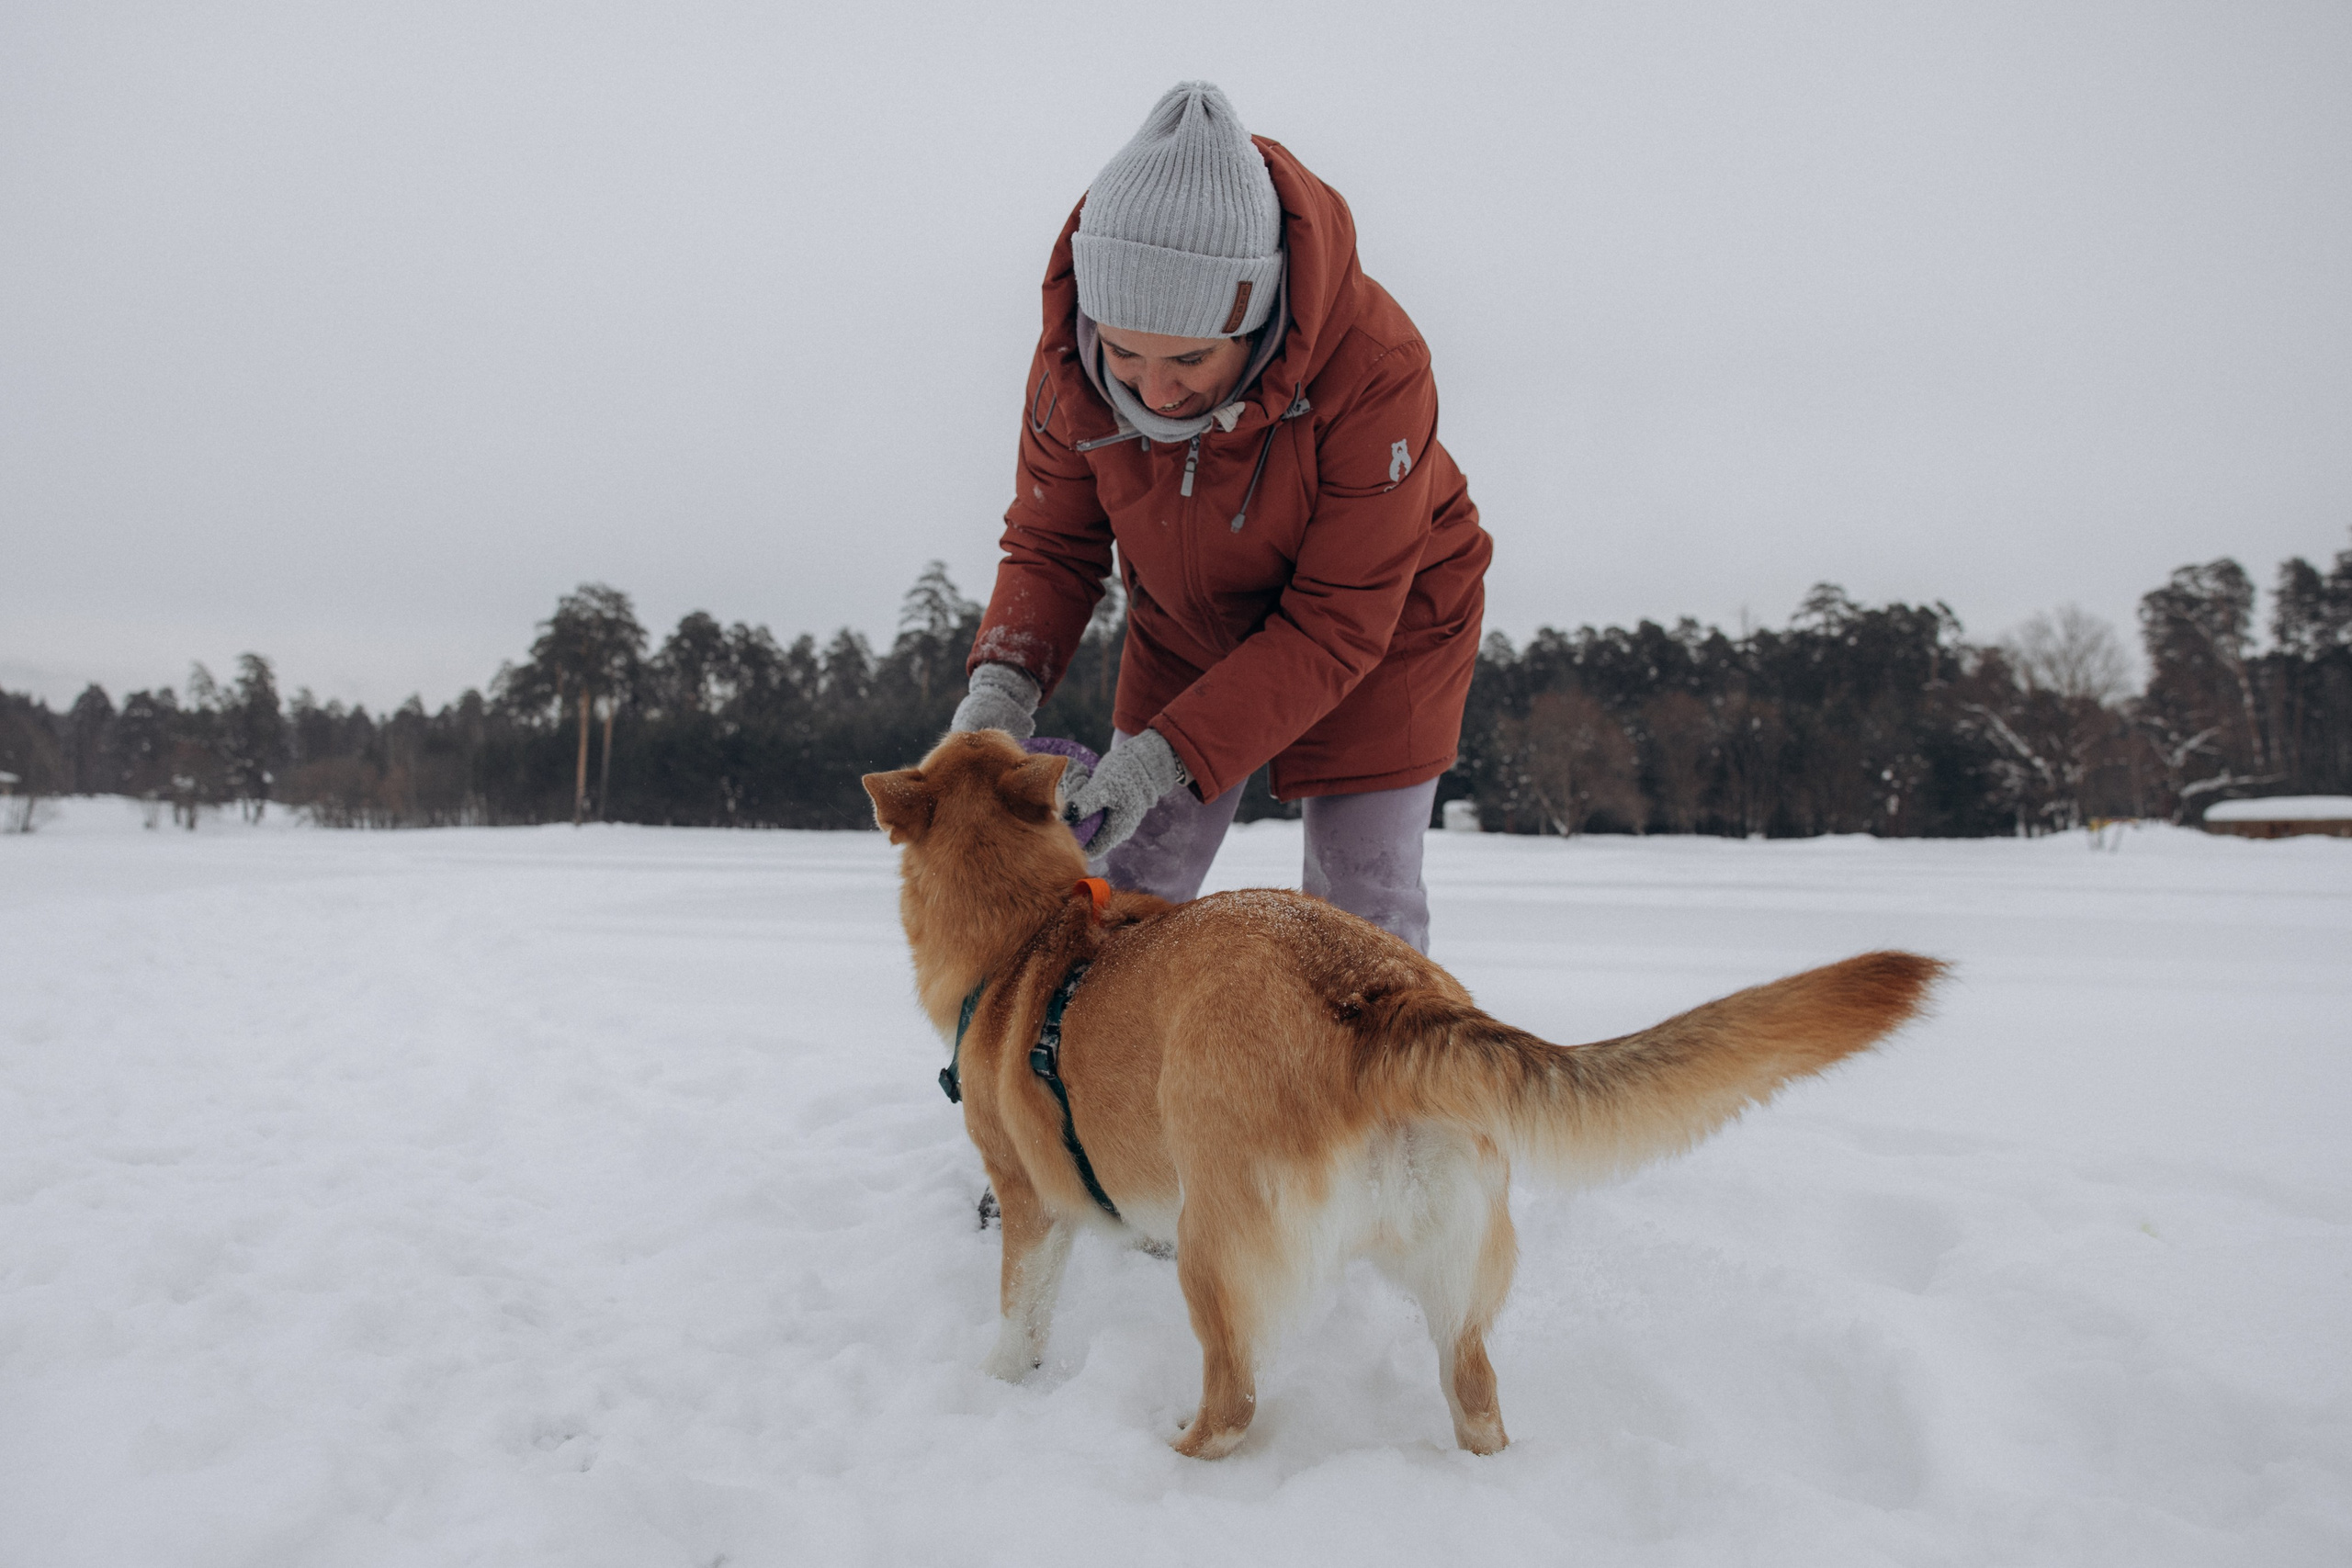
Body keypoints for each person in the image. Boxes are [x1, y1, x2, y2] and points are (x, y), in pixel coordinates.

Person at [950, 81, 1491, 953]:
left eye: (1191, 360)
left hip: (1384, 623)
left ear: (1259, 314)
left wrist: (1169, 755)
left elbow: (1336, 621)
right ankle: (1107, 1085)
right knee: (1129, 887)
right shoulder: (1070, 366)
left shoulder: (1377, 370)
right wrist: (1000, 691)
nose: (1154, 393)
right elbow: (1052, 543)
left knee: (1361, 908)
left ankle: (1381, 1091)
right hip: (1188, 622)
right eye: (1124, 352)